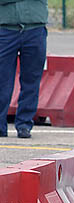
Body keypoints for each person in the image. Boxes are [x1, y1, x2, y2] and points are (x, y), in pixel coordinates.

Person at [0, 0, 48, 139]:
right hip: (5, 30)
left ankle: (24, 125)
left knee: (31, 81)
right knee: (2, 81)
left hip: (35, 30)